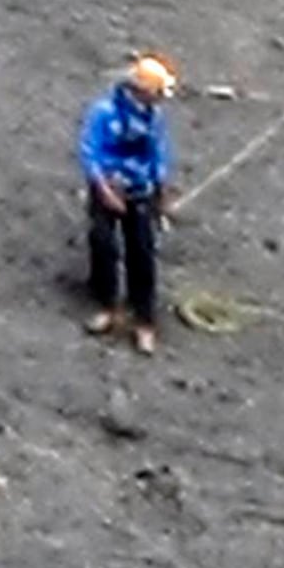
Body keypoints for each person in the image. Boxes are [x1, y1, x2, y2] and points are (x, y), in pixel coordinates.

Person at [79, 53, 178, 353]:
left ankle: (144, 319)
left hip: (140, 191)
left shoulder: (154, 118)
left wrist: (159, 192)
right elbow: (90, 151)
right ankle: (108, 305)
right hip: (108, 187)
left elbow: (158, 154)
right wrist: (104, 189)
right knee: (104, 245)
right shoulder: (105, 112)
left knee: (142, 253)